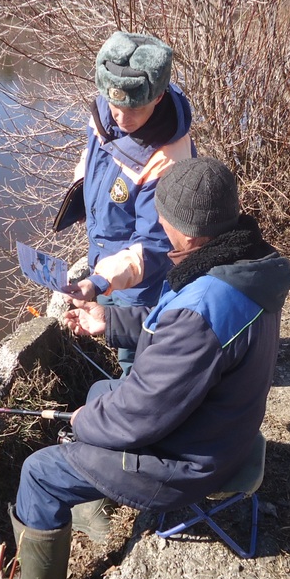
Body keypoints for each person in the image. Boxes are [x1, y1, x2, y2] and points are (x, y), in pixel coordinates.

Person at [0, 157, 290, 579]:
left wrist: (80, 421)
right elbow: (173, 329)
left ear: (187, 232)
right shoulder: (244, 265)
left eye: (162, 219)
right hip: (221, 431)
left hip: (189, 463)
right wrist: (110, 320)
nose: (159, 227)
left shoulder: (206, 308)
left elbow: (139, 416)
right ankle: (93, 509)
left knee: (40, 470)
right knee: (105, 387)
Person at [58, 31, 196, 374]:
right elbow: (90, 161)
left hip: (145, 278)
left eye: (134, 109)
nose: (121, 118)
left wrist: (100, 281)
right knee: (111, 320)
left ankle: (140, 397)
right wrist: (81, 198)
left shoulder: (168, 157)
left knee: (138, 347)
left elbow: (152, 247)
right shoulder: (106, 108)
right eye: (115, 106)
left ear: (159, 96)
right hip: (106, 254)